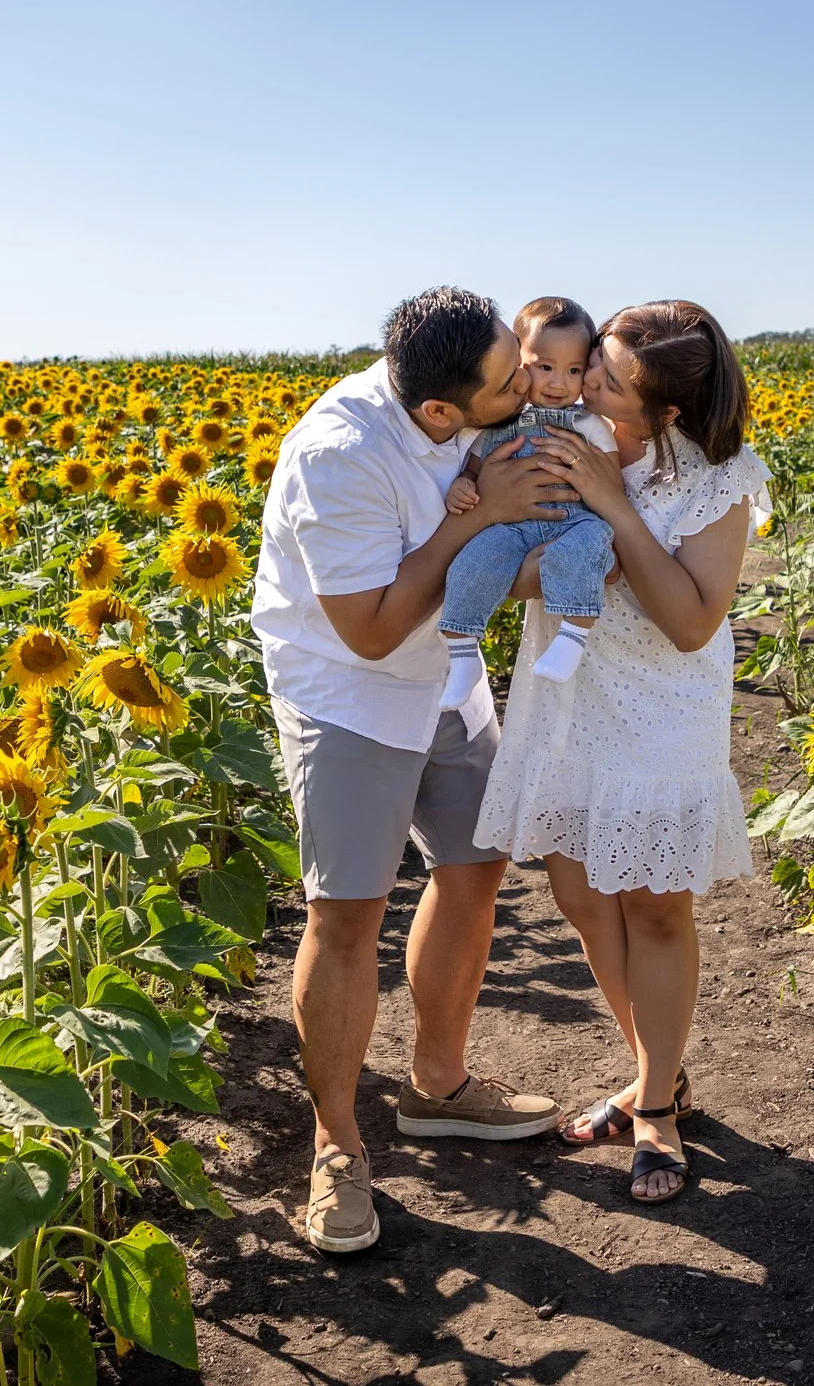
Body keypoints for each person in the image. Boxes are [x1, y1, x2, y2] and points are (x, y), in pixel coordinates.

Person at [250, 286, 568, 1253]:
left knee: (474, 872)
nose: (531, 385)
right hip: (350, 692)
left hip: (450, 673)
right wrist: (481, 524)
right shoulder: (340, 457)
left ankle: (439, 1083)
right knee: (347, 914)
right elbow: (374, 629)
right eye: (511, 382)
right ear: (439, 411)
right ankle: (336, 1143)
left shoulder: (461, 402)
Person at [472, 300, 768, 1205]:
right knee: (578, 891)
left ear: (667, 412)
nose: (583, 382)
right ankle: (657, 1070)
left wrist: (610, 503)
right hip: (569, 699)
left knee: (656, 907)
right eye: (592, 362)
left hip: (658, 709)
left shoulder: (719, 476)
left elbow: (689, 620)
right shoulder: (564, 424)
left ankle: (655, 1110)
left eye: (608, 379)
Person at [435, 297, 622, 707]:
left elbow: (612, 483)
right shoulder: (501, 423)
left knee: (589, 540)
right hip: (513, 528)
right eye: (545, 367)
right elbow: (474, 468)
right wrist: (462, 486)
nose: (559, 383)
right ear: (520, 363)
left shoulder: (589, 425)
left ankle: (572, 636)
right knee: (474, 559)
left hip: (573, 521)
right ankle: (463, 653)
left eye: (573, 370)